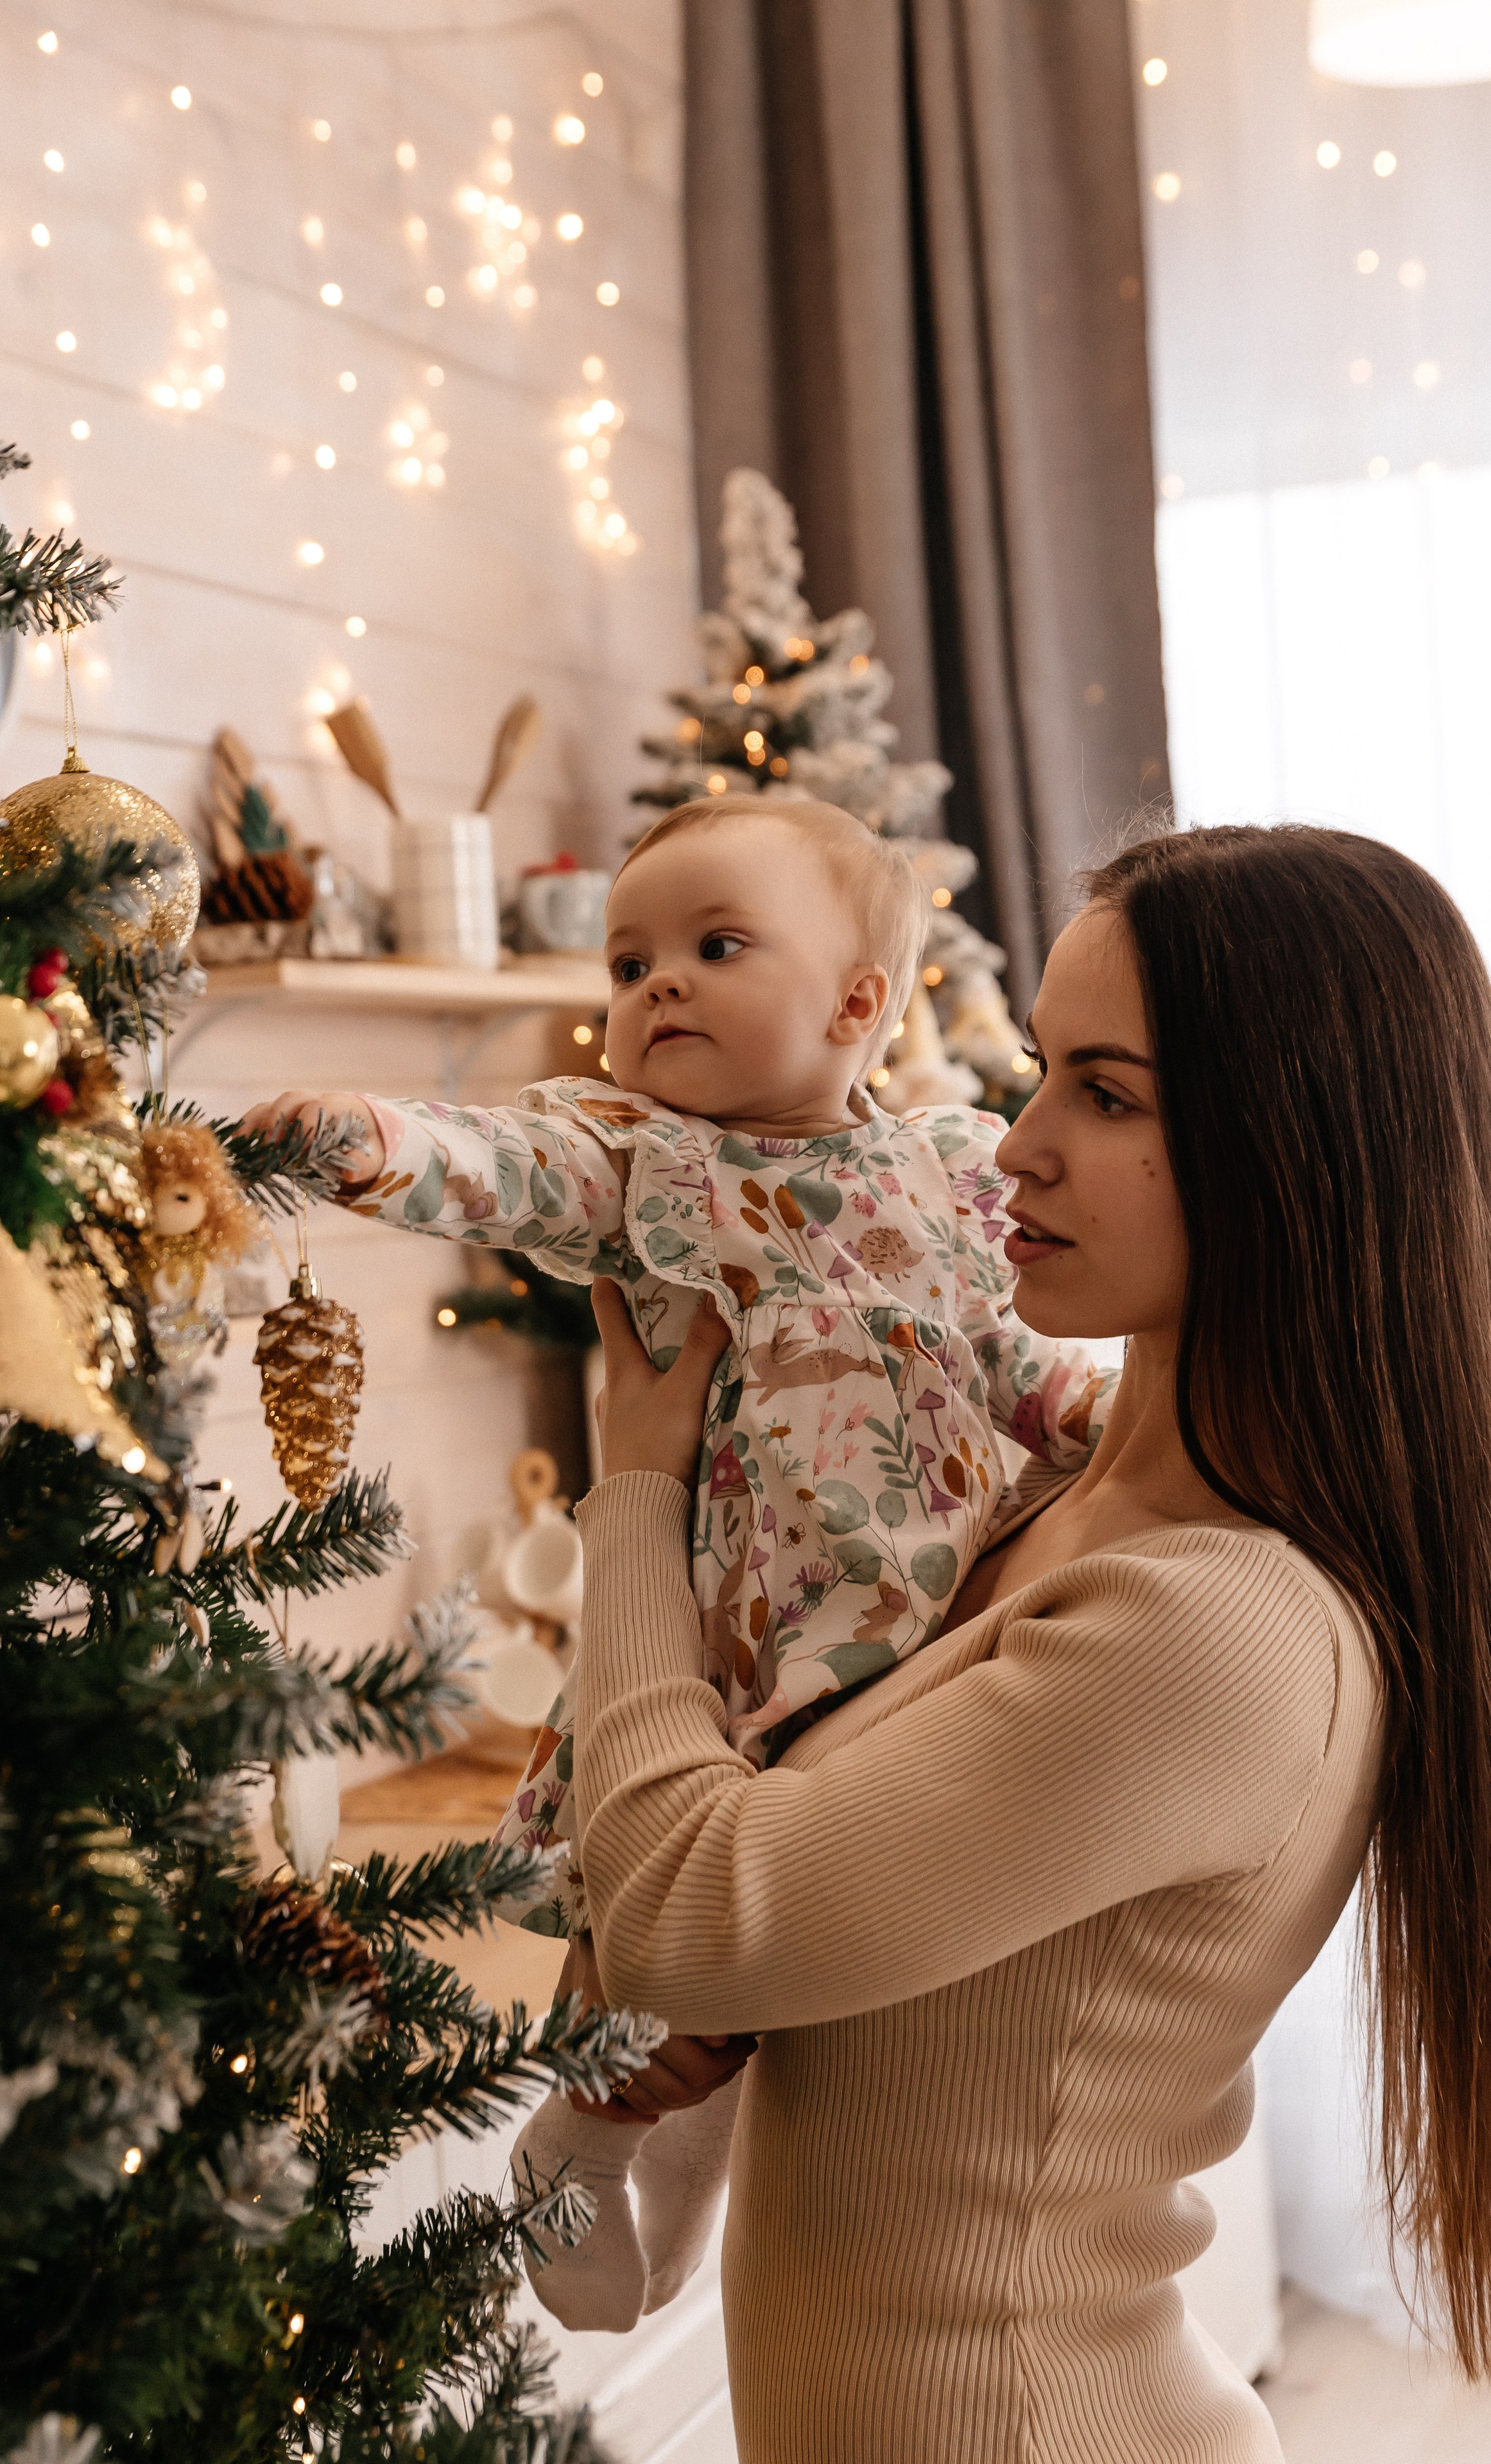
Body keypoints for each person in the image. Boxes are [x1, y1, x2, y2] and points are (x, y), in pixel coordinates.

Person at [556, 823, 1491, 2461]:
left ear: (1294, 1149)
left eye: (1105, 1096)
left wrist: (634, 1486)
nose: (1010, 1149)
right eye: (1038, 1070)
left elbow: (685, 1922)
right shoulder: (1050, 1486)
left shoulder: (1214, 1634)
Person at [241, 794, 1114, 2326]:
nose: (652, 987)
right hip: (726, 1648)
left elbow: (1012, 1362)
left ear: (857, 1003)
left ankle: (677, 2196)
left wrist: (1104, 1424)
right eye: (628, 961)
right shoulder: (644, 1164)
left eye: (714, 948)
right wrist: (363, 1142)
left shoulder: (962, 1164)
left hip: (919, 1633)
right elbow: (500, 1162)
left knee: (760, 1998)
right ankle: (573, 2139)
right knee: (648, 1954)